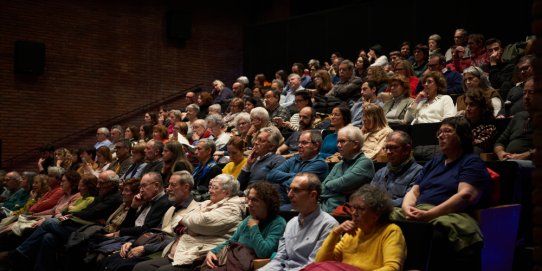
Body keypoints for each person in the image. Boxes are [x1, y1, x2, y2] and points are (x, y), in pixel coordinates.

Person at [393, 116, 490, 270]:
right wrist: (407, 208)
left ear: (462, 135)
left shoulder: (471, 162)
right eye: (439, 132)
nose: (441, 135)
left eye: (447, 131)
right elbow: (414, 190)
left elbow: (464, 196)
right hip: (420, 210)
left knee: (433, 235)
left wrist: (430, 214)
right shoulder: (435, 162)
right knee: (381, 218)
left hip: (449, 214)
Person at [132, 174, 245, 271]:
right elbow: (176, 222)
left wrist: (187, 223)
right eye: (210, 186)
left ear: (227, 192)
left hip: (201, 255)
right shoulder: (207, 203)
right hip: (184, 250)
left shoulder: (232, 209)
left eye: (214, 188)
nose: (209, 190)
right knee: (140, 267)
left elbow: (201, 222)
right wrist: (190, 224)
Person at [98, 171, 199, 271]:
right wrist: (134, 243)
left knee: (121, 265)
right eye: (169, 185)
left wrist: (144, 248)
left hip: (166, 251)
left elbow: (175, 240)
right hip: (153, 244)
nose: (168, 189)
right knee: (111, 259)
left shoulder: (194, 211)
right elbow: (155, 232)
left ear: (186, 187)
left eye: (173, 185)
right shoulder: (171, 208)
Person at [314, 185, 406, 271]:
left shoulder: (391, 231)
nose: (354, 213)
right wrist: (335, 233)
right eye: (353, 208)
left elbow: (392, 268)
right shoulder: (352, 233)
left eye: (361, 209)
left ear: (376, 214)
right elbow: (321, 262)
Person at [259, 173, 338, 271]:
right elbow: (279, 260)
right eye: (289, 189)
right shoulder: (291, 223)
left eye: (296, 190)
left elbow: (314, 266)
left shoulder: (329, 225)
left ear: (312, 195)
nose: (289, 195)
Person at [203, 182, 287, 269]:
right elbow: (231, 241)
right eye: (249, 199)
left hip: (250, 265)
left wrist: (254, 227)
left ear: (268, 203)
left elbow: (263, 252)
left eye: (255, 200)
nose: (249, 204)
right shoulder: (249, 219)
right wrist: (213, 251)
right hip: (234, 260)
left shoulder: (278, 223)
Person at [267, 130, 328, 209]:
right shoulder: (295, 159)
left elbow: (292, 185)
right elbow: (271, 175)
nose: (299, 145)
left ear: (316, 146)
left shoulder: (320, 164)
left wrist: (282, 181)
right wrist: (294, 175)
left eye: (304, 143)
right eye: (299, 142)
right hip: (283, 199)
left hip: (302, 204)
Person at [320, 125, 374, 213]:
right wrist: (335, 189)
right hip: (325, 208)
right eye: (338, 142)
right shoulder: (339, 164)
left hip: (344, 213)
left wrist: (329, 185)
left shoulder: (365, 163)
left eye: (342, 141)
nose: (338, 145)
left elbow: (341, 184)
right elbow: (323, 187)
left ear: (355, 144)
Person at [371, 131, 423, 207]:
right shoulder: (380, 172)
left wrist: (380, 204)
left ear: (407, 149)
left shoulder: (419, 173)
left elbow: (408, 201)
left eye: (393, 148)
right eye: (387, 148)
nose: (388, 152)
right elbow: (369, 196)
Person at [494, 76, 534, 161]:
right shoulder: (518, 116)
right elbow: (500, 142)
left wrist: (523, 156)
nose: (526, 97)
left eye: (531, 93)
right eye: (524, 93)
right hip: (509, 161)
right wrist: (500, 152)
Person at [462, 88, 498, 154]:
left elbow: (477, 146)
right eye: (466, 104)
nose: (467, 108)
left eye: (472, 105)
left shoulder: (489, 127)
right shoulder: (462, 124)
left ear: (481, 107)